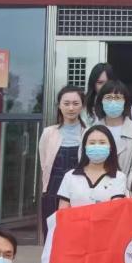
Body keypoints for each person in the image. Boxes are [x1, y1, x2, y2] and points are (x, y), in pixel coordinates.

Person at [38, 85, 85, 223]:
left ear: (82, 106)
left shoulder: (89, 133)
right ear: (59, 105)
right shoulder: (48, 133)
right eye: (66, 103)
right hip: (53, 189)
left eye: (75, 103)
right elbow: (44, 163)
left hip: (80, 190)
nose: (71, 108)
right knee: (52, 229)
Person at [56, 125, 127, 210]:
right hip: (75, 219)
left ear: (111, 147)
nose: (97, 146)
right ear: (85, 147)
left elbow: (117, 211)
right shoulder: (70, 176)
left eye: (102, 142)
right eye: (92, 143)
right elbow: (62, 212)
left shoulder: (119, 177)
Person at [94, 79, 132, 178]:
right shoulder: (90, 132)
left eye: (118, 98)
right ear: (101, 101)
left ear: (125, 101)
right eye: (108, 97)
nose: (113, 102)